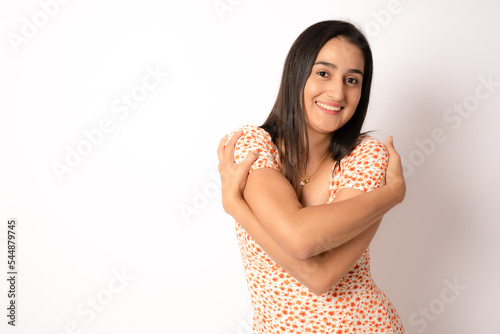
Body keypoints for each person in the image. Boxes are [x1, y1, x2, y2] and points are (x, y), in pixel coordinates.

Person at [217, 20, 406, 334]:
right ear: (297, 73)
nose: (337, 91)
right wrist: (392, 195)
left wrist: (236, 207)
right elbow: (299, 237)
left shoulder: (368, 158)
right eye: (323, 73)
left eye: (352, 79)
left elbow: (319, 275)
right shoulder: (252, 145)